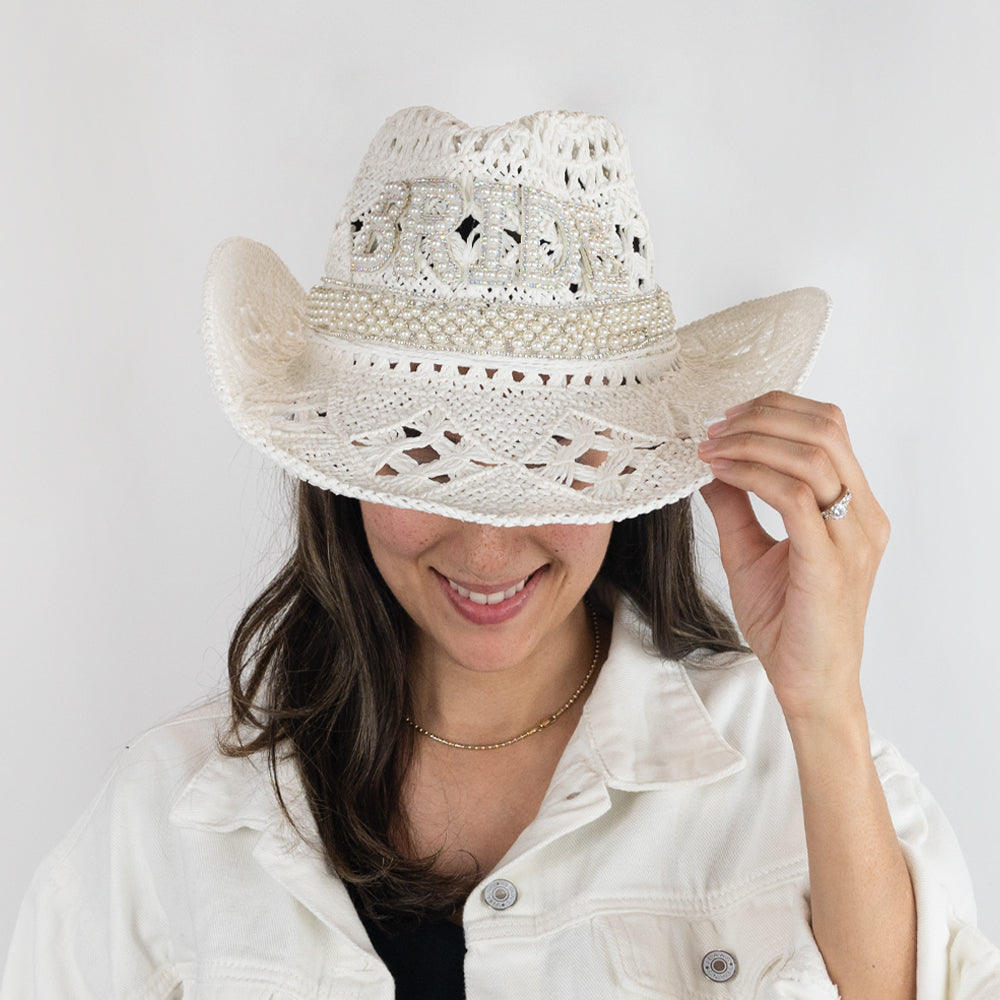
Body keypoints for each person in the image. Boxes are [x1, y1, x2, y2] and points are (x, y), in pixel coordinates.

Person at [3, 106, 998, 1000]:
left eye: (553, 463)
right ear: (340, 475)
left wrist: (824, 703)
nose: (485, 542)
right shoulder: (171, 816)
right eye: (422, 454)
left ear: (631, 467)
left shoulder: (787, 761)